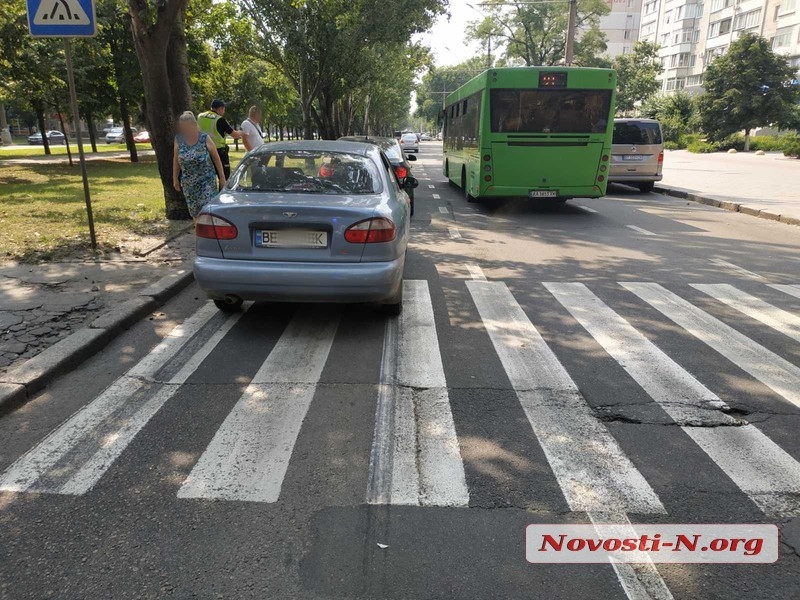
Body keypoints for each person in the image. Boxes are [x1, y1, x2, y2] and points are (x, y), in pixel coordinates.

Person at [172, 111, 226, 220]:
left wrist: (222, 177)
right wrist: (175, 179)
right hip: (189, 183)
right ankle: (199, 235)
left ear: (193, 125)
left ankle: (209, 235)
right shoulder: (179, 139)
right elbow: (176, 160)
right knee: (195, 215)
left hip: (206, 182)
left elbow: (216, 158)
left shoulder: (204, 138)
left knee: (207, 212)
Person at [198, 99, 242, 179]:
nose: (224, 112)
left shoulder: (200, 116)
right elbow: (234, 134)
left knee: (207, 177)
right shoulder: (219, 119)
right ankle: (222, 191)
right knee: (224, 176)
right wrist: (242, 132)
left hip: (203, 150)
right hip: (218, 151)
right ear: (220, 109)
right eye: (224, 109)